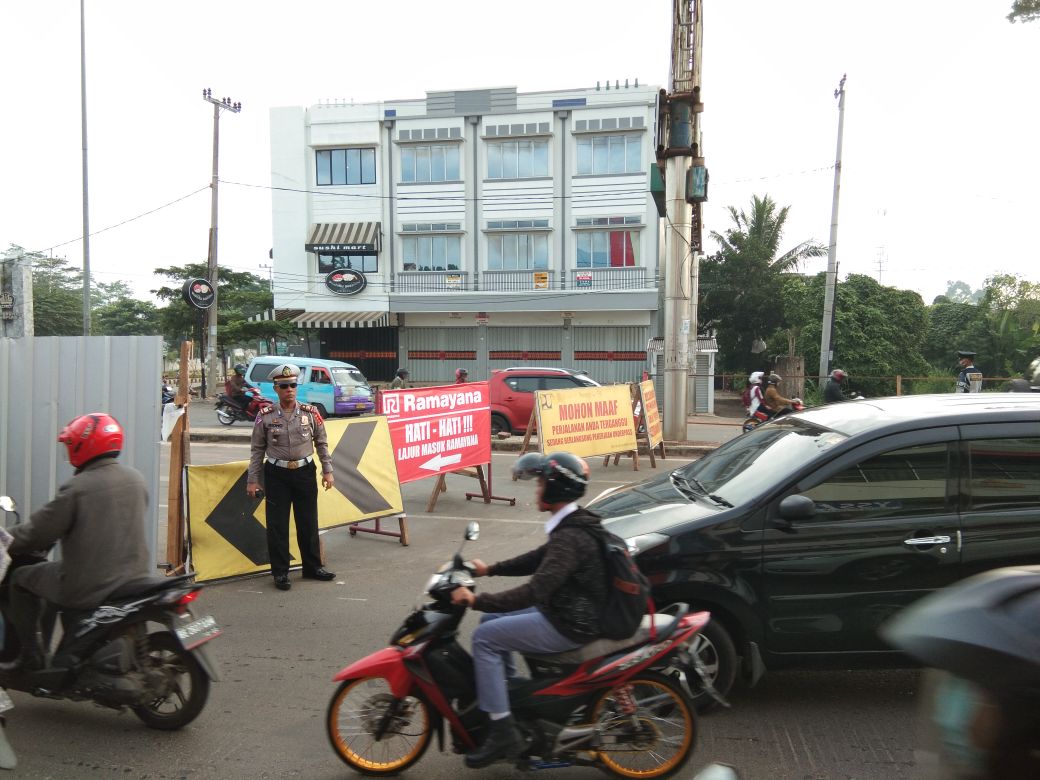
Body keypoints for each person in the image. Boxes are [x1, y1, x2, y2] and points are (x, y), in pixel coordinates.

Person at [450, 452, 608, 768]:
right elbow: (537, 559)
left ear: (557, 488)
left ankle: (502, 730)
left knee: (484, 638)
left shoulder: (571, 536)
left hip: (569, 623)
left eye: (540, 484)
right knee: (492, 619)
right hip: (568, 611)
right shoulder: (573, 523)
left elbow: (534, 592)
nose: (536, 490)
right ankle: (509, 697)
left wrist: (475, 600)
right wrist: (489, 569)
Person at [0, 413, 151, 674]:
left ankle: (31, 656)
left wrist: (5, 539)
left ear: (84, 446)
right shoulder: (135, 478)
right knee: (47, 577)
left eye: (70, 445)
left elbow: (36, 533)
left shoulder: (78, 488)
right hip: (134, 576)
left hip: (89, 583)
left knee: (21, 579)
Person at [246, 363, 336, 592]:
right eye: (284, 386)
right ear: (276, 389)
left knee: (308, 521)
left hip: (305, 472)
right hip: (277, 474)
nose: (289, 390)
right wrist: (252, 480)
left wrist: (327, 470)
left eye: (293, 385)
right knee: (278, 525)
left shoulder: (310, 413)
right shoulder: (265, 416)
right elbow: (257, 450)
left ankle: (312, 567)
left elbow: (322, 443)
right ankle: (280, 572)